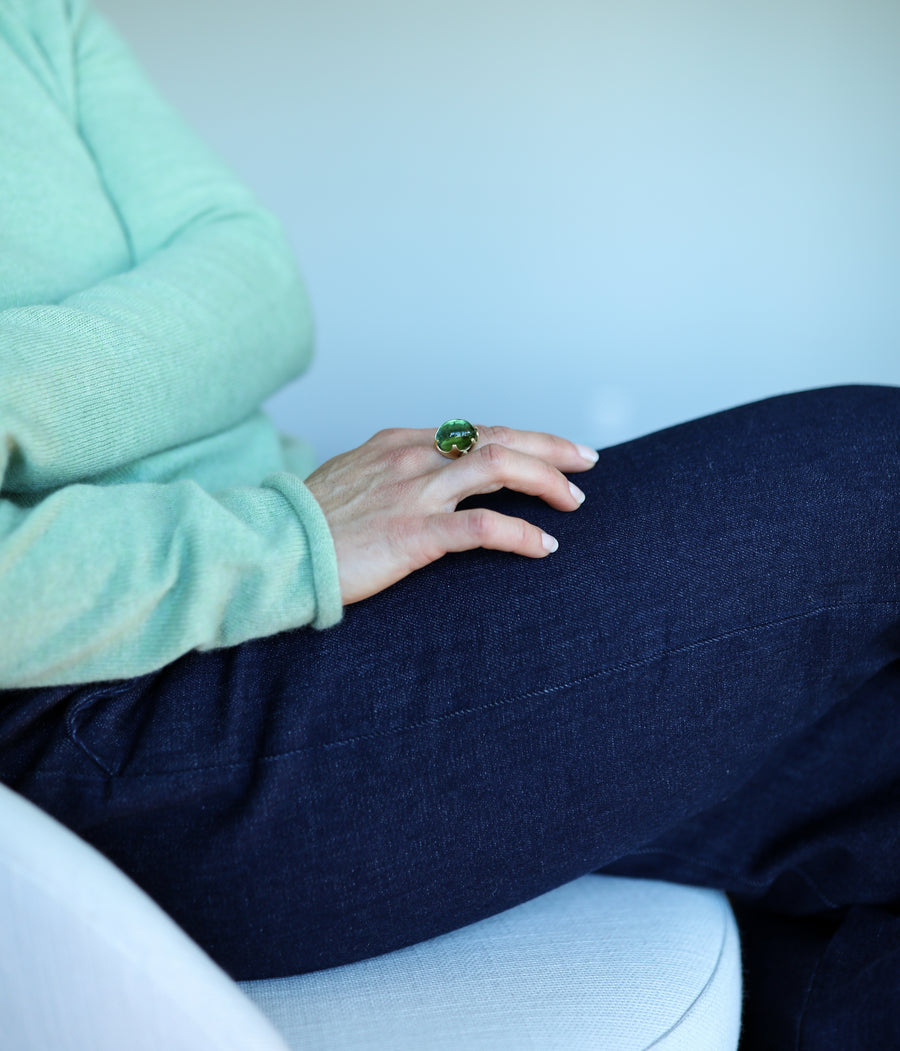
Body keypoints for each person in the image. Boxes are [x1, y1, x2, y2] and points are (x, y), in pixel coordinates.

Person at [1, 2, 898, 1047]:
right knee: (878, 470)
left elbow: (255, 280)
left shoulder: (34, 18)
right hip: (93, 711)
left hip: (292, 563)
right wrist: (283, 543)